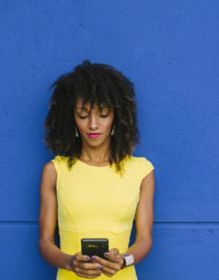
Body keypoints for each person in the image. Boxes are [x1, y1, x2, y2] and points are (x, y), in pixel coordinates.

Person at [38, 60, 156, 280]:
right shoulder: (55, 171)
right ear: (71, 118)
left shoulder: (142, 171)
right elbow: (45, 242)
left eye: (103, 114)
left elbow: (145, 239)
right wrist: (70, 263)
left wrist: (124, 260)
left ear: (116, 118)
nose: (93, 125)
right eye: (83, 115)